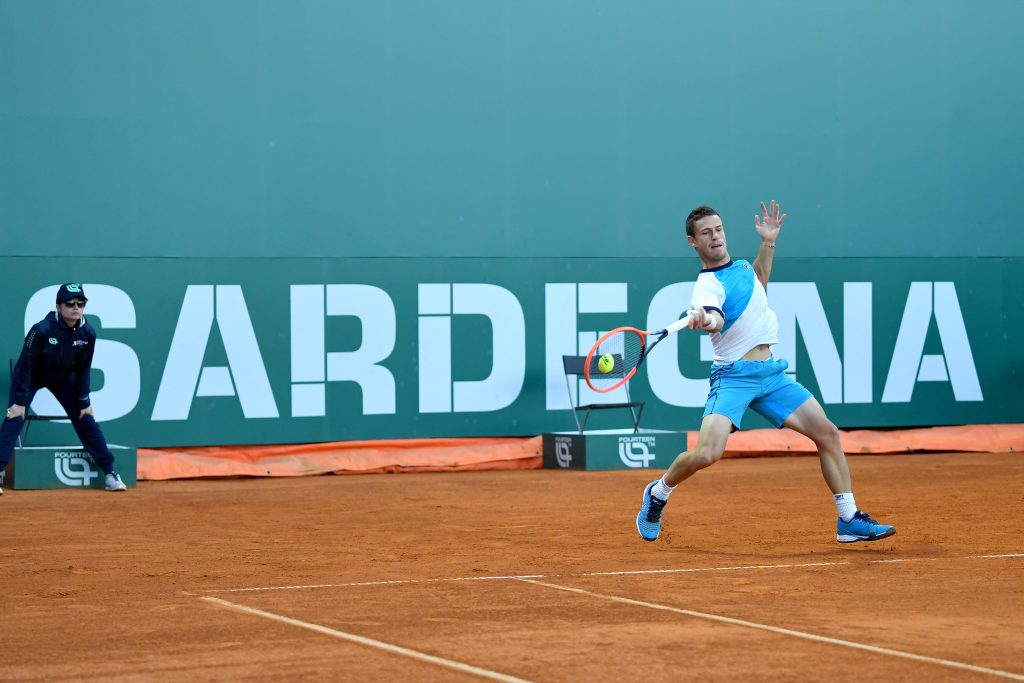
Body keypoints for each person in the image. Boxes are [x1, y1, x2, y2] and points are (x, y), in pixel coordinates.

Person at [636, 202, 894, 544]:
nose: (715, 237)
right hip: (733, 377)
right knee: (707, 453)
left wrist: (768, 242)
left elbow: (760, 277)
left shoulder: (741, 266)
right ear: (692, 242)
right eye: (705, 233)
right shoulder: (706, 287)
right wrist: (705, 319)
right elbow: (717, 318)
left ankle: (848, 518)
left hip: (771, 375)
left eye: (718, 229)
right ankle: (659, 492)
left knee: (828, 434)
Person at [0, 283, 128, 495]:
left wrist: (84, 401)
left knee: (85, 417)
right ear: (59, 306)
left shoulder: (88, 333)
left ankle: (109, 473)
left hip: (62, 378)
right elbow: (25, 364)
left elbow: (83, 369)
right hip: (31, 376)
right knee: (15, 416)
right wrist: (20, 401)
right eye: (70, 303)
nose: (76, 308)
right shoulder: (41, 329)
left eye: (81, 303)